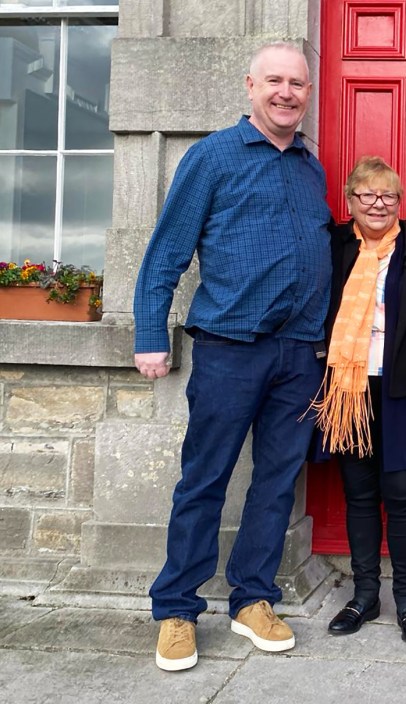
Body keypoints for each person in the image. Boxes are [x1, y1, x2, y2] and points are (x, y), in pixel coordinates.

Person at [133, 42, 332, 672]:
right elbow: (166, 251)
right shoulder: (212, 157)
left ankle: (252, 598)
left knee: (276, 483)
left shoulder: (311, 165)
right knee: (204, 481)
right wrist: (150, 333)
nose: (286, 92)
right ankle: (176, 609)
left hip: (298, 352)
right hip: (228, 349)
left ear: (308, 91)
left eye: (297, 83)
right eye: (274, 80)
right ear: (251, 86)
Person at [313, 156, 406, 644]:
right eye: (366, 195)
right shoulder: (333, 246)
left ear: (400, 202)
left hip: (404, 391)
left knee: (404, 495)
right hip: (347, 390)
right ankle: (365, 596)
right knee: (360, 495)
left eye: (388, 195)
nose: (377, 204)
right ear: (349, 200)